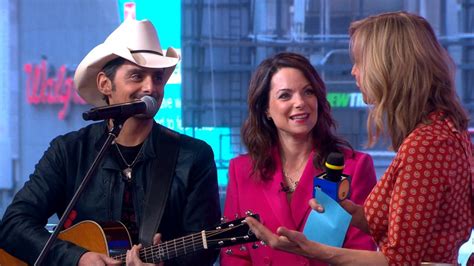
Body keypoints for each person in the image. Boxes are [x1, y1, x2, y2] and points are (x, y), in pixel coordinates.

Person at [245, 11, 473, 265]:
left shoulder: (427, 145)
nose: (354, 72)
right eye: (285, 95)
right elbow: (413, 233)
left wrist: (311, 250)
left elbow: (399, 260)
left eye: (360, 62)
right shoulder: (441, 132)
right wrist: (351, 214)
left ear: (390, 67)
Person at [0, 19, 221, 265]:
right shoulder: (69, 151)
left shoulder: (193, 156)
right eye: (137, 76)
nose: (150, 87)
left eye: (158, 78)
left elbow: (206, 249)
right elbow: (13, 224)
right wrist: (78, 258)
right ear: (105, 84)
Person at [220, 52, 377, 266]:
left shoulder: (355, 166)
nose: (300, 103)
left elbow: (362, 251)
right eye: (285, 95)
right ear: (266, 109)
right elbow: (234, 255)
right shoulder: (241, 170)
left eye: (308, 92)